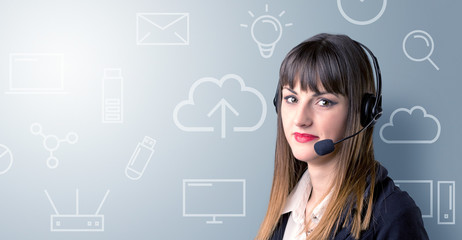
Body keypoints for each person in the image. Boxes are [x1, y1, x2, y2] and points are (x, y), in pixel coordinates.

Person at [255, 33, 429, 240]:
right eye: (291, 98)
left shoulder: (392, 215)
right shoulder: (285, 210)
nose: (300, 119)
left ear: (364, 112)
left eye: (323, 102)